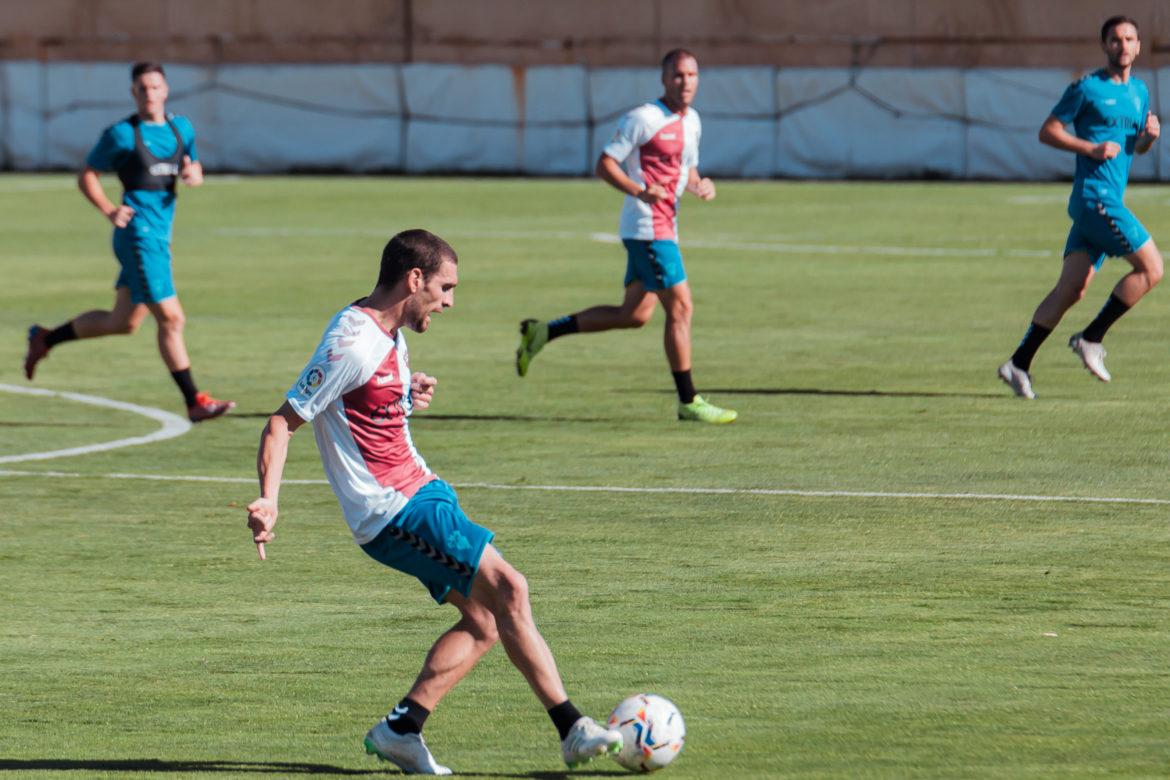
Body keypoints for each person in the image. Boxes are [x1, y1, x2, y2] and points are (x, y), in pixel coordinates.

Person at [245, 230, 623, 775]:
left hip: (421, 490)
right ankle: (572, 728)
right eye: (446, 287)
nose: (449, 301)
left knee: (486, 622)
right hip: (393, 508)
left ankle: (402, 730)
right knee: (510, 588)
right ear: (414, 278)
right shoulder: (351, 342)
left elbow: (364, 408)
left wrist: (405, 393)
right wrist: (268, 500)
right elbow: (282, 423)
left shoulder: (389, 331)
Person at [515, 49, 737, 424]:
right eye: (678, 75)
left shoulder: (693, 121)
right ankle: (689, 400)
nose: (686, 82)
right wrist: (639, 191)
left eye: (692, 75)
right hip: (648, 228)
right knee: (681, 308)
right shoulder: (644, 119)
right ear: (664, 79)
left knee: (633, 314)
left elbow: (688, 170)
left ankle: (543, 332)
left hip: (666, 226)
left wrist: (701, 185)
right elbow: (604, 163)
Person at [23, 61, 234, 422]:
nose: (149, 93)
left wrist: (192, 173)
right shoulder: (121, 134)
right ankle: (194, 401)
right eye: (142, 88)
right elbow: (87, 175)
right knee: (171, 319)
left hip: (160, 237)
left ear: (166, 90)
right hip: (138, 236)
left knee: (123, 322)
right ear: (133, 93)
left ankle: (45, 338)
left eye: (155, 87)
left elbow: (193, 165)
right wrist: (108, 208)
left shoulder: (181, 127)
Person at [998, 16, 1162, 399]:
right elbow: (1048, 130)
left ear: (1138, 46)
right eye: (1115, 40)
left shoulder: (1139, 92)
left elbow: (1135, 147)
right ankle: (1091, 338)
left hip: (1107, 200)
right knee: (1153, 268)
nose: (1123, 46)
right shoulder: (1087, 88)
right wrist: (1089, 148)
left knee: (1072, 288)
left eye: (1129, 39)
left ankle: (1018, 363)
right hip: (1094, 198)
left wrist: (1148, 140)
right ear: (1104, 46)